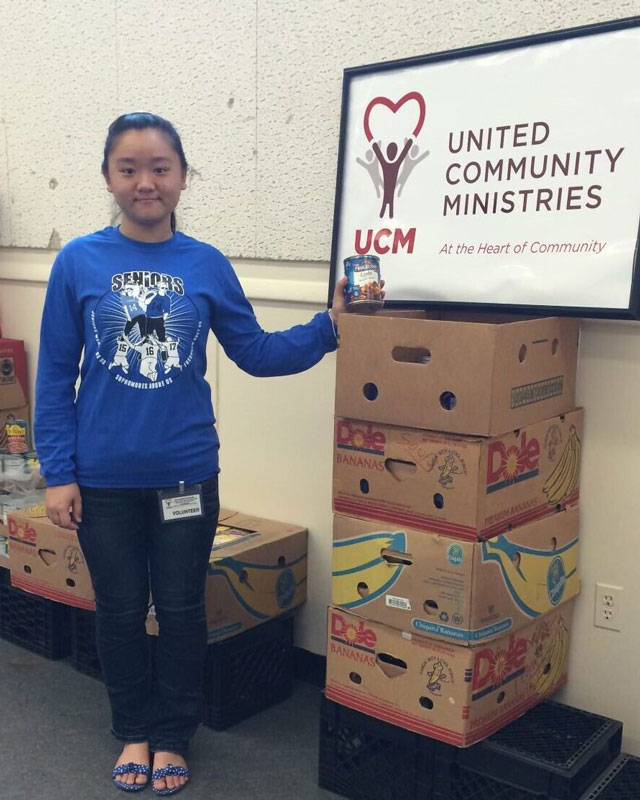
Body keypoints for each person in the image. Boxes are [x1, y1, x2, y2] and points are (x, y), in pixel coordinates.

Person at [34, 112, 363, 796]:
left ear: (183, 177)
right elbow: (55, 374)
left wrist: (330, 326)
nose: (145, 182)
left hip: (186, 473)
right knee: (121, 609)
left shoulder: (205, 264)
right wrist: (58, 472)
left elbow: (258, 353)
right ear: (108, 178)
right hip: (101, 480)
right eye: (129, 168)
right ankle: (132, 728)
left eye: (160, 168)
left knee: (182, 607)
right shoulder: (78, 262)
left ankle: (173, 734)